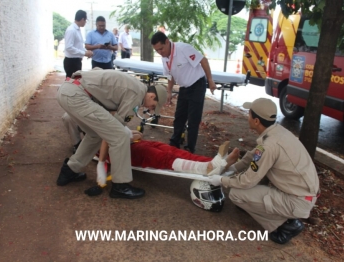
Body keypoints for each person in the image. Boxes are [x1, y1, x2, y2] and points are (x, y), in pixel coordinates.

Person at [208, 98, 320, 245]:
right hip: (303, 194)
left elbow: (248, 181)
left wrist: (221, 180)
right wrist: (233, 168)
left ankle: (284, 226)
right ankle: (275, 212)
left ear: (256, 121)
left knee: (236, 194)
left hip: (297, 201)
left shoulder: (269, 146)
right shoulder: (276, 132)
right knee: (245, 188)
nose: (247, 117)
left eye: (249, 114)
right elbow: (253, 155)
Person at [56, 69, 167, 199]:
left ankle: (69, 171)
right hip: (77, 96)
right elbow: (116, 134)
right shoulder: (137, 94)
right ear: (152, 96)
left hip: (68, 91)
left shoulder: (136, 86)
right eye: (153, 106)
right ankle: (121, 186)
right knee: (120, 137)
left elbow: (110, 127)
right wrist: (101, 164)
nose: (150, 109)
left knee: (95, 134)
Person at [151, 31, 217, 153]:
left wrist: (210, 81)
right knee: (179, 117)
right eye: (157, 51)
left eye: (161, 49)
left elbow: (203, 61)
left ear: (167, 41)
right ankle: (174, 141)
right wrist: (169, 92)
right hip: (184, 87)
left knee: (193, 119)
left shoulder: (183, 49)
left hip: (197, 84)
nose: (160, 53)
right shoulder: (164, 58)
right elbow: (170, 75)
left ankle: (190, 147)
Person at [96, 140, 239, 187]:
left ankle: (213, 163)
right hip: (119, 150)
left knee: (172, 150)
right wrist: (101, 164)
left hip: (131, 142)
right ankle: (205, 168)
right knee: (162, 157)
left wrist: (131, 134)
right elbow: (106, 139)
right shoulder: (91, 127)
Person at [63, 10, 93, 78]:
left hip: (76, 61)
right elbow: (69, 47)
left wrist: (86, 52)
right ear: (82, 19)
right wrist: (83, 53)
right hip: (71, 62)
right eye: (85, 20)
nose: (85, 22)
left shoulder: (77, 29)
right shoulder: (71, 30)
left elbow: (78, 46)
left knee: (76, 82)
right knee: (72, 83)